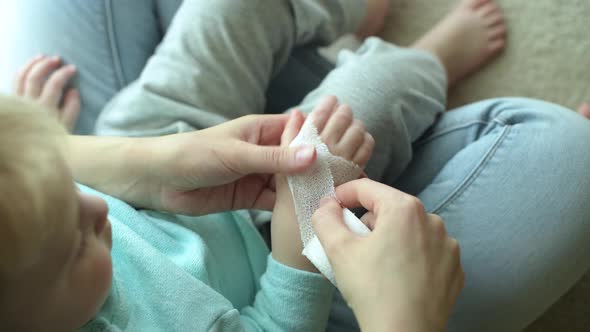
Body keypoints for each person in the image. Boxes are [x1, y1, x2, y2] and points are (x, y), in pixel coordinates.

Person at [6, 0, 590, 331]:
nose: (91, 208)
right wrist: (297, 254)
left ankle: (348, 25)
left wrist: (47, 146)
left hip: (147, 156)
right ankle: (425, 62)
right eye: (71, 244)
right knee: (361, 102)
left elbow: (73, 193)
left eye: (67, 192)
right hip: (266, 261)